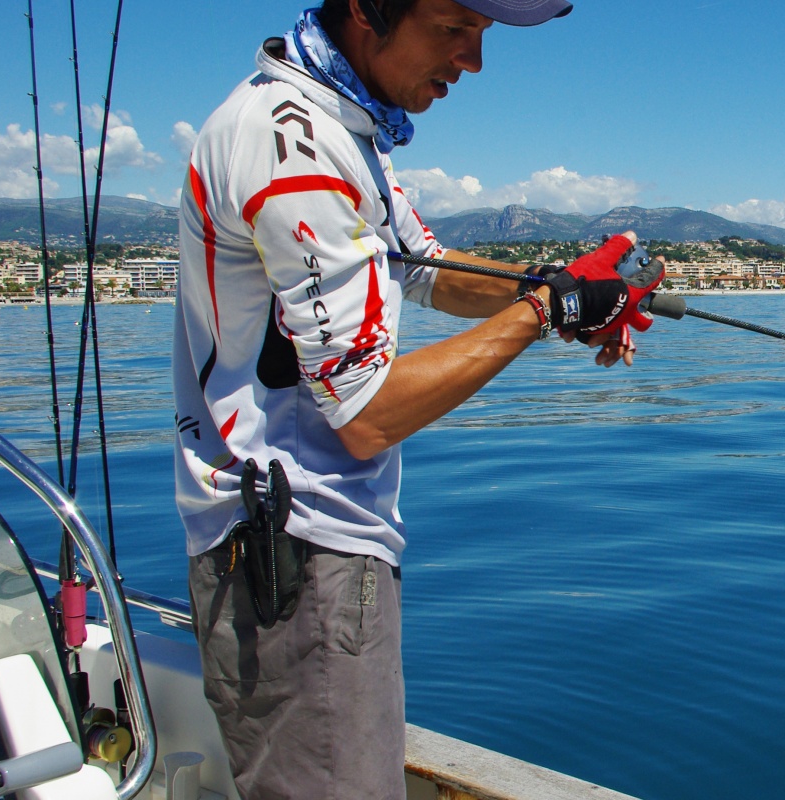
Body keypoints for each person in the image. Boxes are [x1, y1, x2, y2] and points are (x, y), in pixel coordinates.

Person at [170, 1, 662, 796]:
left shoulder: (336, 127)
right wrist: (547, 313)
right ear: (367, 9)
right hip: (297, 553)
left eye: (482, 34)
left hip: (314, 548)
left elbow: (423, 267)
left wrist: (558, 286)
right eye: (451, 27)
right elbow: (367, 415)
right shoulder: (294, 149)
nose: (472, 61)